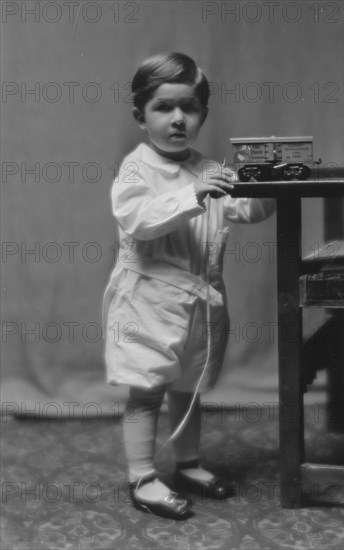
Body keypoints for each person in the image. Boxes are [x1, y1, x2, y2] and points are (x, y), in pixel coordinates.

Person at [103, 52, 276, 519]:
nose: (178, 118)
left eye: (190, 107)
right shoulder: (135, 169)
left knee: (188, 386)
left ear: (203, 114)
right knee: (146, 388)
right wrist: (190, 195)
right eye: (164, 107)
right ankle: (142, 476)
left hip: (200, 299)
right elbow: (137, 219)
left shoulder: (209, 168)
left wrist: (268, 185)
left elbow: (247, 211)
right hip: (148, 300)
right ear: (141, 116)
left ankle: (188, 463)